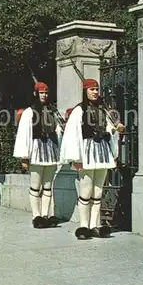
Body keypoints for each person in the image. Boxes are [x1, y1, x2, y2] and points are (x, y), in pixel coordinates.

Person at [60, 78, 125, 240]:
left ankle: (95, 224)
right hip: (87, 151)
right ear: (85, 91)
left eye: (96, 89)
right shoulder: (79, 110)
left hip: (102, 151)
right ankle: (83, 225)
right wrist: (76, 157)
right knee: (86, 190)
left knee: (98, 191)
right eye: (92, 89)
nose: (95, 92)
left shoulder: (103, 109)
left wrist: (116, 129)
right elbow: (72, 134)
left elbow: (110, 129)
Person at [14, 82, 63, 229]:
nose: (44, 95)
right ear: (36, 94)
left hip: (50, 150)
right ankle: (36, 216)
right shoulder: (29, 112)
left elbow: (58, 131)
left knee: (48, 185)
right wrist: (24, 156)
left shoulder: (53, 111)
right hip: (36, 150)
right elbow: (24, 134)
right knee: (35, 186)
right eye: (41, 93)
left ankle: (45, 215)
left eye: (46, 93)